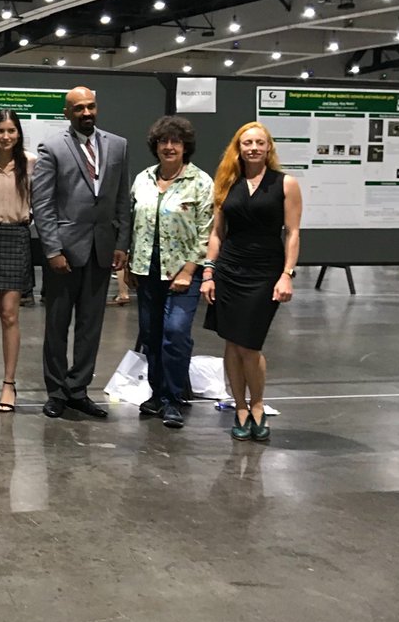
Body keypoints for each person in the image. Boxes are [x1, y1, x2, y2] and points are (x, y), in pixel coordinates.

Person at [32, 86, 131, 420]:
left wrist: (121, 244)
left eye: (90, 106)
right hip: (64, 253)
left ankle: (79, 389)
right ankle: (57, 391)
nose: (86, 113)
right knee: (57, 326)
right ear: (67, 113)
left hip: (102, 250)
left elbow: (121, 200)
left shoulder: (118, 145)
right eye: (78, 109)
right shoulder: (52, 147)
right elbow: (42, 202)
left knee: (91, 326)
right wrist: (52, 248)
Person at [203, 122, 302, 443]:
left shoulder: (285, 183)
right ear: (239, 147)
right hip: (229, 270)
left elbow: (293, 233)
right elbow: (217, 233)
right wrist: (208, 272)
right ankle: (241, 408)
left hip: (265, 272)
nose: (254, 147)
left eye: (260, 142)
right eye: (248, 142)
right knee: (231, 341)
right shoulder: (226, 182)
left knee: (250, 344)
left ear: (269, 147)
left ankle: (258, 406)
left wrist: (287, 274)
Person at [128, 116, 214, 430]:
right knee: (150, 336)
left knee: (175, 334)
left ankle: (175, 398)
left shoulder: (201, 182)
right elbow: (134, 224)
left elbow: (207, 231)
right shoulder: (143, 179)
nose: (169, 147)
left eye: (175, 142)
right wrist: (130, 267)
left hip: (182, 274)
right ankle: (156, 393)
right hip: (146, 270)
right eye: (163, 141)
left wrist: (190, 269)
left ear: (185, 146)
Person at [0, 109, 37, 413]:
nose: (5, 136)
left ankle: (10, 384)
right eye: (0, 130)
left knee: (10, 314)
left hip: (16, 239)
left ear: (18, 133)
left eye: (11, 130)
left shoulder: (30, 163)